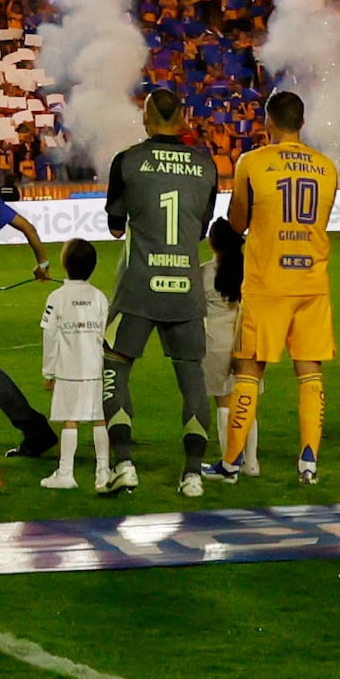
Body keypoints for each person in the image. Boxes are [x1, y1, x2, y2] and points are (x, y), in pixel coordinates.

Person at [95, 90, 225, 491]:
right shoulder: (206, 165)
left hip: (138, 286)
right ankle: (191, 474)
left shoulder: (128, 160)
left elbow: (116, 226)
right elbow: (201, 229)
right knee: (192, 379)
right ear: (183, 118)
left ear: (146, 117)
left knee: (115, 366)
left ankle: (125, 465)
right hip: (185, 287)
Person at [217, 95, 340, 492]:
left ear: (268, 121)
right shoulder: (326, 167)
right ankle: (308, 463)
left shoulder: (252, 162)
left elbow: (237, 222)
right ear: (302, 121)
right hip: (311, 280)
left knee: (249, 371)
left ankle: (232, 464)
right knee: (310, 374)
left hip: (268, 281)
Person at [37, 244, 113, 488]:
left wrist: (48, 371)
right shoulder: (100, 297)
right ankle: (103, 471)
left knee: (70, 418)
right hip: (96, 368)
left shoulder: (56, 298)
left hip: (69, 369)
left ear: (65, 264)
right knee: (99, 417)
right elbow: (107, 335)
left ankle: (66, 473)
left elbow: (49, 336)